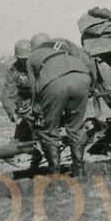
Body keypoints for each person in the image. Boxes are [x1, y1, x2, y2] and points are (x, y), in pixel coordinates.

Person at [27, 34, 95, 176]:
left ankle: (55, 172)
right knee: (76, 126)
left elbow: (34, 89)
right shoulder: (65, 41)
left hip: (53, 84)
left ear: (33, 46)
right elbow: (89, 62)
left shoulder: (32, 57)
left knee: (50, 130)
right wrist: (92, 85)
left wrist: (36, 108)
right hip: (81, 78)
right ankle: (79, 171)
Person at [2, 38, 44, 171]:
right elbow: (7, 96)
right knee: (24, 121)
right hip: (25, 102)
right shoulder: (13, 71)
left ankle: (39, 149)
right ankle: (16, 152)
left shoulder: (40, 64)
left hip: (42, 98)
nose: (24, 61)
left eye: (27, 58)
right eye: (21, 59)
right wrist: (14, 114)